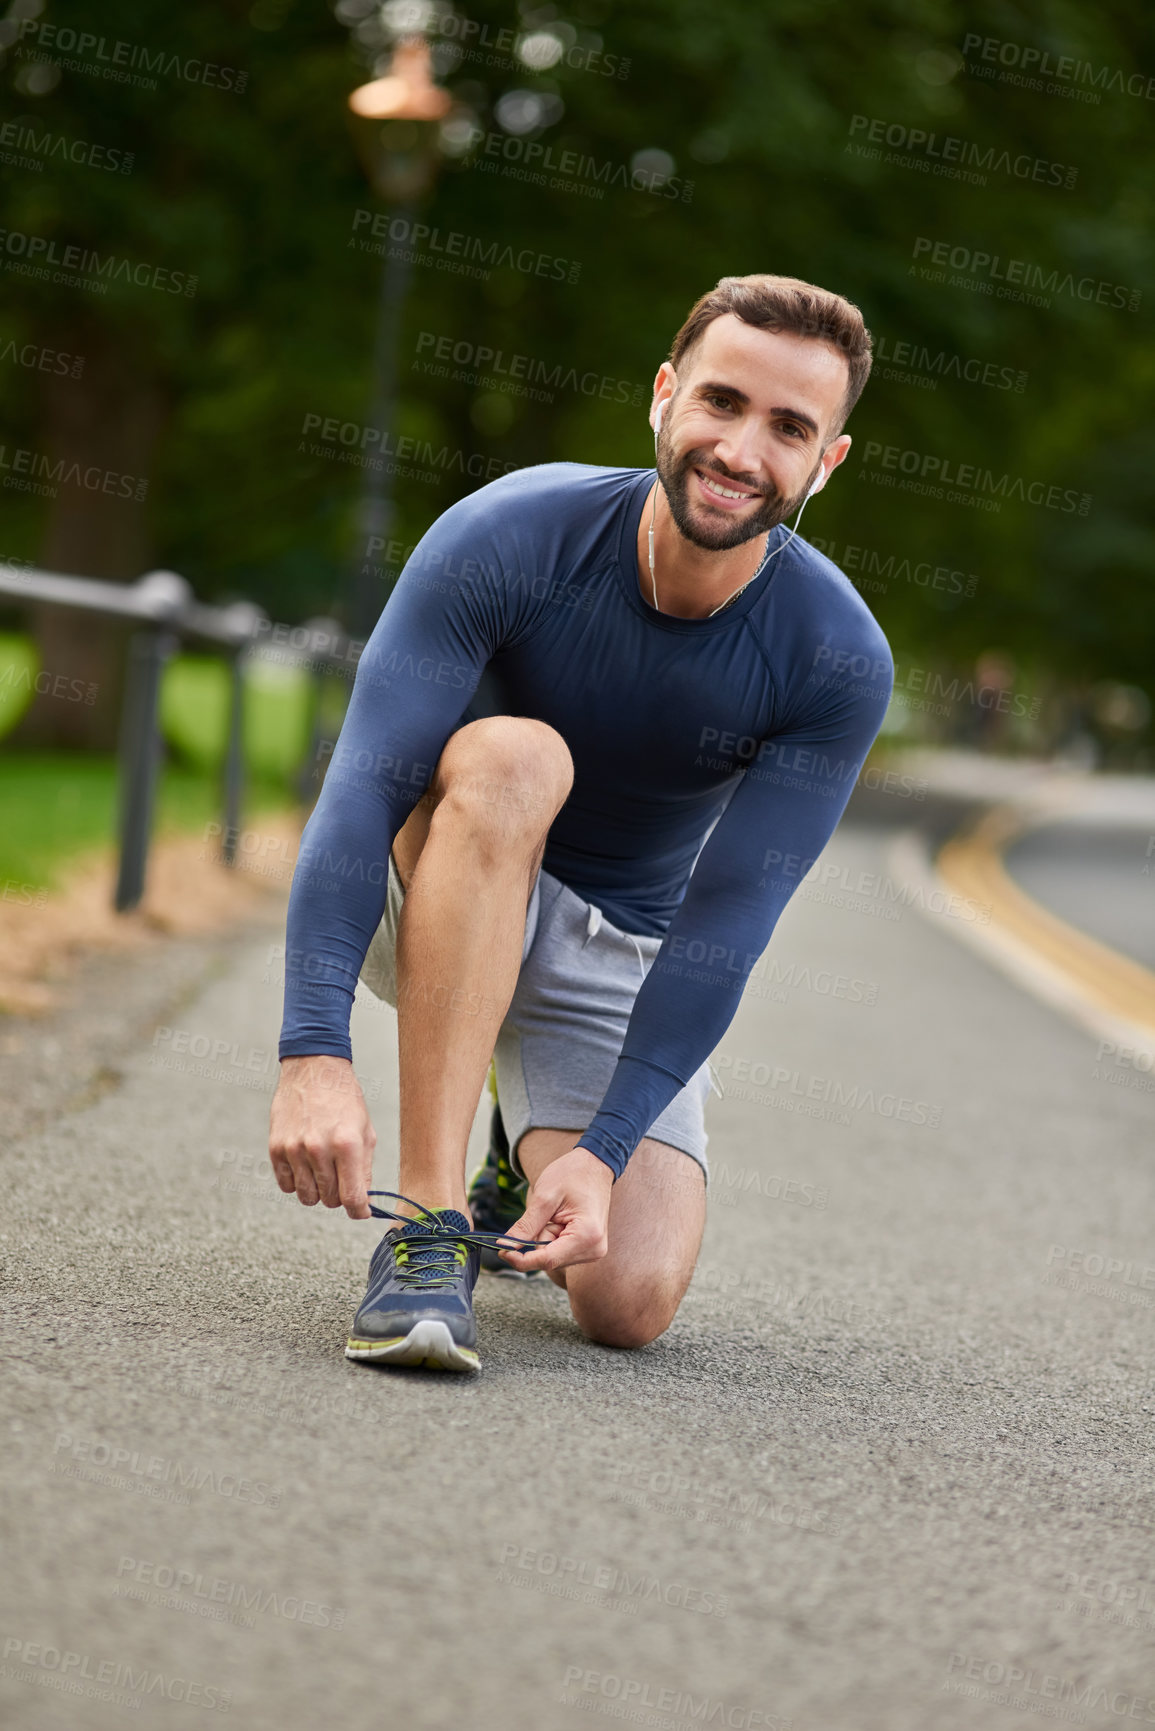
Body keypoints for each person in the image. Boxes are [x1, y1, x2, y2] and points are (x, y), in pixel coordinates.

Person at [269, 273, 894, 1372]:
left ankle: (521, 1142)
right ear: (663, 395)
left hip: (620, 937)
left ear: (827, 462)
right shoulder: (511, 533)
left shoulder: (835, 656)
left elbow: (727, 922)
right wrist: (312, 1049)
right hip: (437, 881)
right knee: (520, 756)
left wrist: (603, 1151)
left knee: (629, 1301)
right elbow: (363, 789)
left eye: (790, 427)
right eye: (721, 402)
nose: (743, 451)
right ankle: (426, 1229)